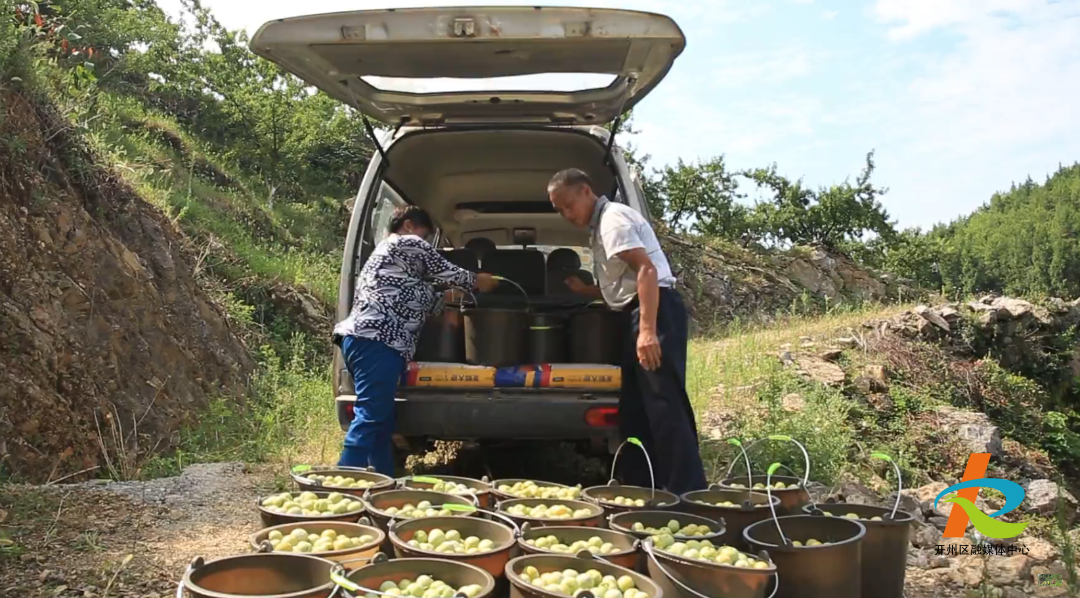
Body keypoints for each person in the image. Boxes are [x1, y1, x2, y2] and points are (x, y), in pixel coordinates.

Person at [547, 168, 707, 494]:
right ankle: (642, 488)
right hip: (639, 312)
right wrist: (585, 291)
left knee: (664, 407)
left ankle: (686, 494)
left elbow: (647, 271)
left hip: (654, 312)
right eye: (559, 209)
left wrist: (647, 331)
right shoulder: (601, 225)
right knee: (636, 409)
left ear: (585, 191)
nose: (566, 214)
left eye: (567, 205)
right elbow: (623, 284)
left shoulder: (612, 221)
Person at [333, 206, 498, 474]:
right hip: (377, 341)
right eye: (426, 237)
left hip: (364, 341)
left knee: (381, 418)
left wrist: (446, 299)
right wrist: (477, 281)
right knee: (371, 414)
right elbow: (446, 272)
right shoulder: (406, 242)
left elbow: (417, 296)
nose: (426, 244)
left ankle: (383, 477)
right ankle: (342, 478)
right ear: (408, 225)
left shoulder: (389, 260)